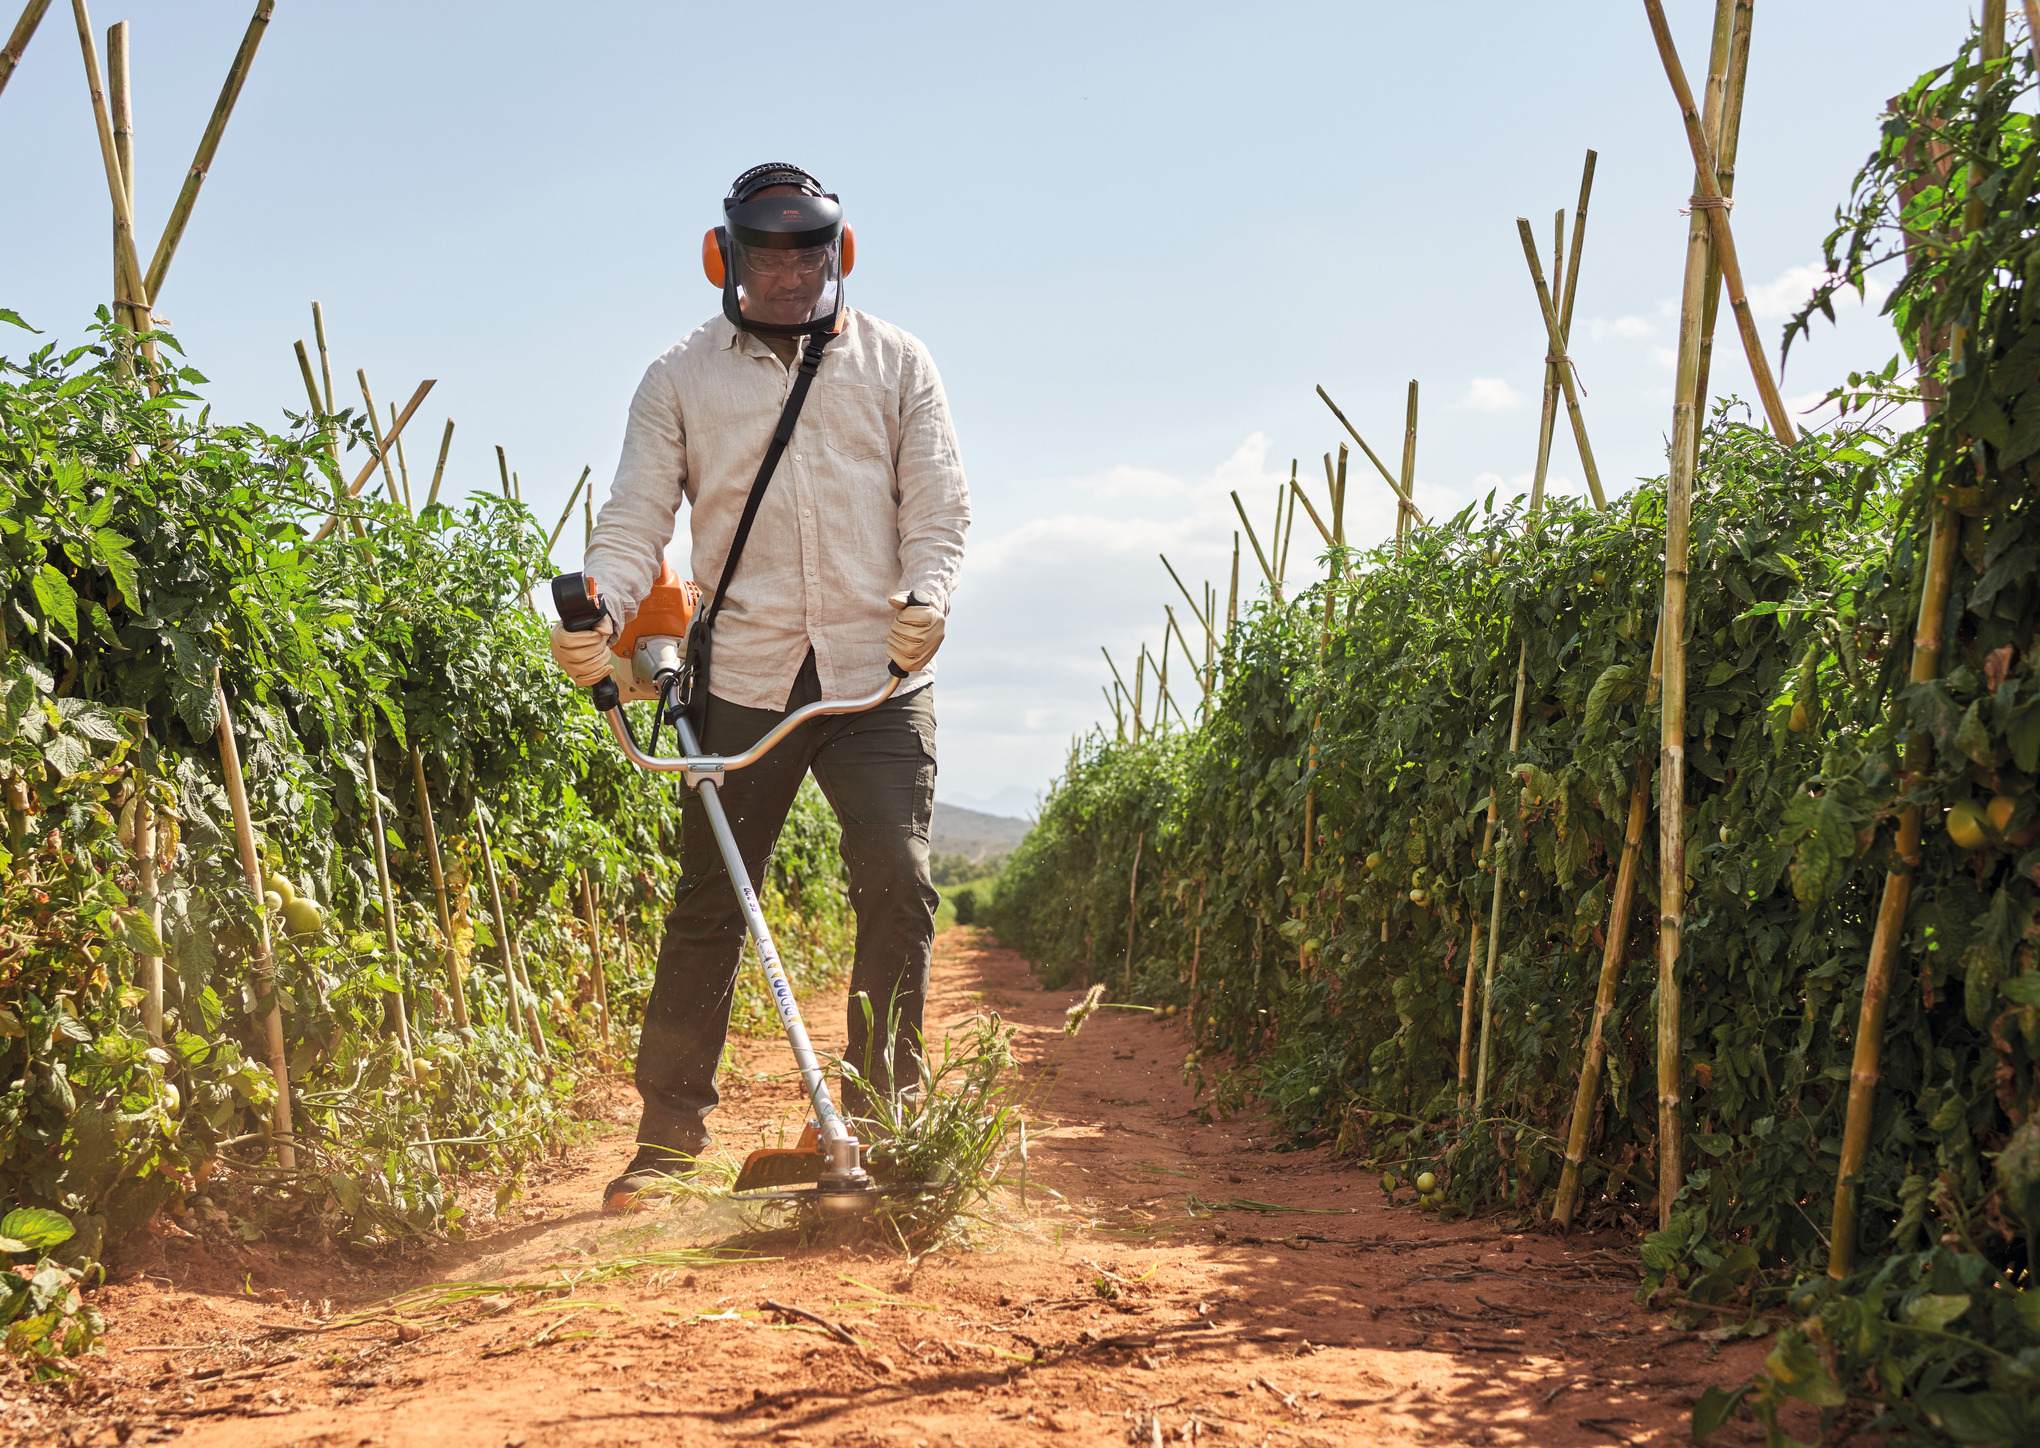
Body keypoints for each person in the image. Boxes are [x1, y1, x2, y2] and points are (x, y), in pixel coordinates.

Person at [549, 163, 969, 1212]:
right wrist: (599, 607)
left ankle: (880, 1117)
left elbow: (940, 504)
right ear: (721, 257)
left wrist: (928, 590)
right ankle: (667, 1141)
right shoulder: (680, 378)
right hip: (742, 676)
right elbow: (635, 520)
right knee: (711, 903)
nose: (789, 276)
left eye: (808, 256)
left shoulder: (897, 362)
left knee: (898, 881)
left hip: (877, 676)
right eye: (766, 256)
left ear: (842, 255)